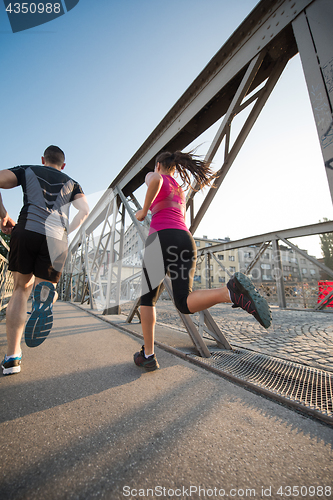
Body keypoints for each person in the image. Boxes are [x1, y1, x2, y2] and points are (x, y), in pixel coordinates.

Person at [134, 150, 271, 371]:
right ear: (175, 167)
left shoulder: (156, 175)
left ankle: (148, 355)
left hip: (160, 240)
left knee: (147, 300)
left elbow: (156, 180)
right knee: (183, 301)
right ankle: (229, 293)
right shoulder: (180, 189)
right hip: (186, 241)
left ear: (158, 165)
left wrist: (143, 210)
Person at [0, 145, 89, 375]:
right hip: (55, 238)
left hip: (26, 230)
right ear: (64, 165)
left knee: (20, 289)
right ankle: (46, 297)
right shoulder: (73, 183)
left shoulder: (28, 169)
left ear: (43, 159)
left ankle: (12, 358)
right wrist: (65, 231)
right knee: (44, 286)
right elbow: (84, 210)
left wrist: (3, 215)